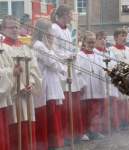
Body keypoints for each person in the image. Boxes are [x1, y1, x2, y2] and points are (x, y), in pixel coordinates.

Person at [1, 15, 42, 150]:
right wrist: (18, 87)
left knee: (27, 132)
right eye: (11, 27)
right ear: (3, 29)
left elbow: (34, 70)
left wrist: (30, 84)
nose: (14, 30)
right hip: (12, 97)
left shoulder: (26, 49)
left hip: (27, 96)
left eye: (17, 27)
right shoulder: (2, 49)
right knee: (13, 131)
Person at [51, 5, 83, 144]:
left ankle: (72, 133)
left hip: (70, 67)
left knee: (72, 103)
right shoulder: (53, 29)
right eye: (71, 14)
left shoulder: (68, 30)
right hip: (60, 70)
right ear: (64, 14)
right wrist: (69, 55)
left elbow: (69, 48)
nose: (72, 17)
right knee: (63, 105)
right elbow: (53, 50)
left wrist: (73, 54)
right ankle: (63, 135)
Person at [32, 18, 65, 149]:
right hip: (45, 85)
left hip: (52, 84)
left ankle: (54, 143)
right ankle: (47, 143)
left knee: (53, 114)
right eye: (49, 31)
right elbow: (52, 63)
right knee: (47, 115)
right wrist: (61, 67)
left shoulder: (46, 45)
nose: (51, 34)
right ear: (43, 32)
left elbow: (56, 60)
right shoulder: (39, 45)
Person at [77, 31, 106, 140]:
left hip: (97, 87)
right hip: (86, 88)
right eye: (89, 42)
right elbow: (77, 72)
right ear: (83, 42)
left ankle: (95, 131)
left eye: (93, 42)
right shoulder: (79, 55)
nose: (91, 44)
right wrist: (81, 85)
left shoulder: (98, 54)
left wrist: (105, 76)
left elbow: (102, 69)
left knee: (96, 111)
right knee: (85, 111)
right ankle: (84, 131)